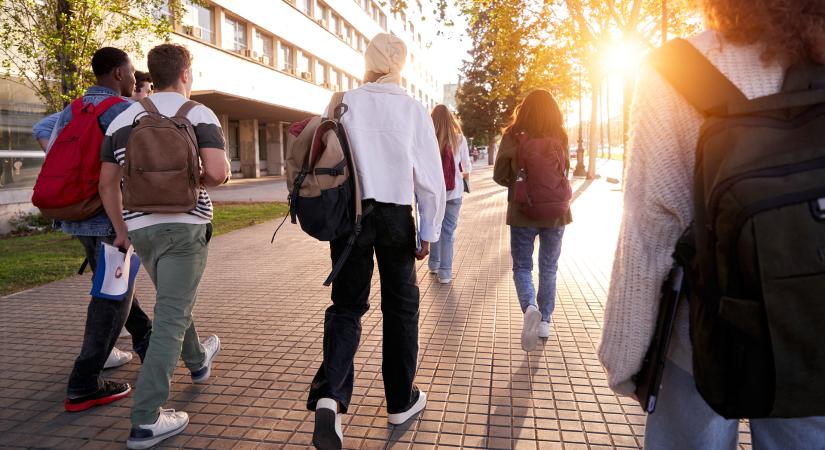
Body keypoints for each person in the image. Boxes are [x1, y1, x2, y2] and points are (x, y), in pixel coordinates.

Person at [598, 1, 825, 448]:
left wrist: (624, 357)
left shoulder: (678, 68)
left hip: (703, 339)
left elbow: (651, 226)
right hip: (813, 330)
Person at [307, 33, 445, 450]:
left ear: (366, 62)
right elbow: (431, 180)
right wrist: (429, 233)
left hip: (351, 216)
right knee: (401, 308)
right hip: (395, 218)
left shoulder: (342, 102)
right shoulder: (412, 108)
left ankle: (330, 397)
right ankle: (400, 401)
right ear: (400, 65)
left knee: (348, 306)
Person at [99, 43, 229, 450]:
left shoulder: (123, 117)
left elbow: (106, 183)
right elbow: (219, 173)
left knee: (174, 301)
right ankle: (147, 418)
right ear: (186, 73)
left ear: (150, 75)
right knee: (171, 315)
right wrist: (187, 180)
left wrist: (122, 230)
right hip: (186, 226)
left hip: (141, 228)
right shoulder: (199, 114)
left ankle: (198, 360)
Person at [36, 47, 154, 412]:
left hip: (76, 214)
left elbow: (42, 130)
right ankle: (84, 383)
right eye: (132, 71)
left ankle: (147, 340)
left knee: (113, 285)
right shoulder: (123, 110)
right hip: (110, 217)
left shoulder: (74, 108)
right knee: (111, 298)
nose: (135, 79)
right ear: (118, 73)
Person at [493, 89, 572, 352]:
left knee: (523, 267)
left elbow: (499, 174)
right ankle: (546, 321)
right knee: (549, 268)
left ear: (523, 109)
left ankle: (529, 307)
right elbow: (565, 169)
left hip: (522, 212)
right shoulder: (559, 135)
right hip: (556, 212)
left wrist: (520, 184)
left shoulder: (513, 135)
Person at [428, 104, 471, 284]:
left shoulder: (428, 138)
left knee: (435, 227)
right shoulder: (459, 139)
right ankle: (445, 273)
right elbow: (467, 167)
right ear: (451, 119)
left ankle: (434, 264)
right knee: (448, 232)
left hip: (433, 194)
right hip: (454, 193)